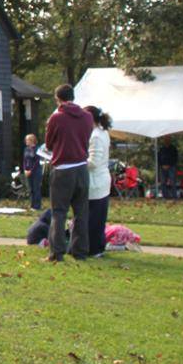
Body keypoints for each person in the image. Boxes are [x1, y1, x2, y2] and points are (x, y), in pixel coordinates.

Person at [42, 83, 95, 262]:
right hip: (81, 167)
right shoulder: (87, 117)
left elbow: (49, 144)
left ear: (58, 99)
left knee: (59, 212)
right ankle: (80, 251)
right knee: (81, 212)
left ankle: (57, 253)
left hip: (63, 169)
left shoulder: (56, 118)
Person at [85, 106, 113, 258]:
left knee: (93, 218)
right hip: (102, 180)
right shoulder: (103, 133)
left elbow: (93, 162)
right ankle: (97, 247)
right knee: (98, 217)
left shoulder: (95, 136)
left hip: (95, 181)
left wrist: (77, 161)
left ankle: (93, 248)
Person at [22, 134, 43, 211]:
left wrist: (31, 170)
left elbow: (36, 161)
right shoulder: (26, 149)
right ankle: (32, 205)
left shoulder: (37, 149)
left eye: (27, 140)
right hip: (27, 171)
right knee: (30, 189)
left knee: (36, 188)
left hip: (36, 171)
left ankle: (37, 206)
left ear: (32, 140)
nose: (26, 141)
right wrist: (25, 169)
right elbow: (24, 160)